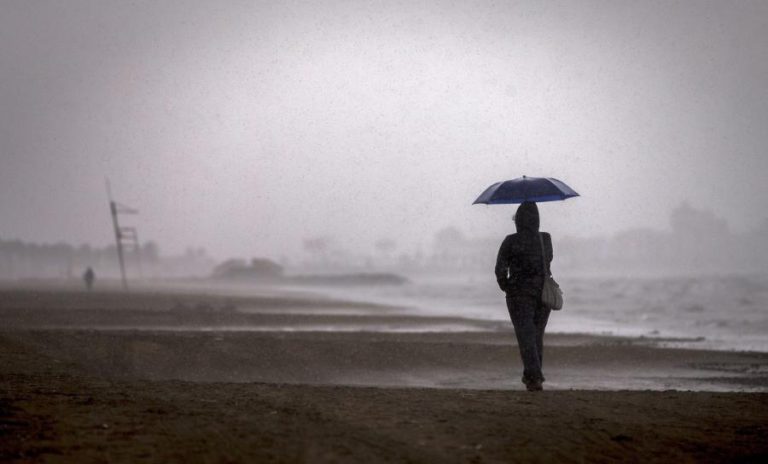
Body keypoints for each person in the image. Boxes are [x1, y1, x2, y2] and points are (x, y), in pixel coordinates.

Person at [495, 201, 553, 391]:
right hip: (542, 292)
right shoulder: (545, 239)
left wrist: (507, 287)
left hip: (518, 294)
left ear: (517, 220)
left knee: (526, 335)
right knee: (536, 336)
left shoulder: (510, 241)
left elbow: (500, 268)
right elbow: (548, 261)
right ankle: (532, 378)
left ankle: (534, 377)